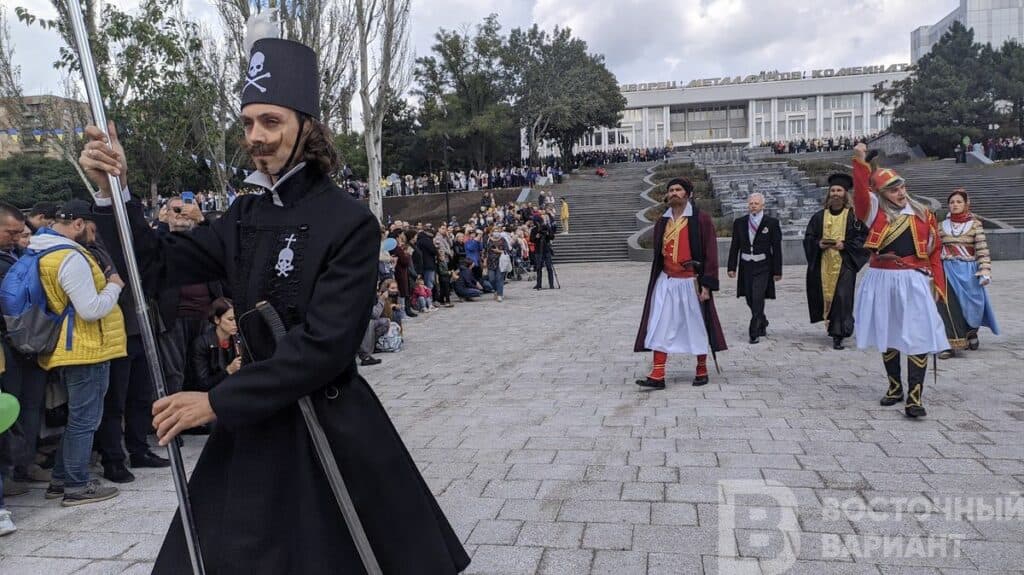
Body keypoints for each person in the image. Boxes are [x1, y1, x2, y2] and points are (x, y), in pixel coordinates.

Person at [80, 32, 469, 573]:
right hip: (251, 427)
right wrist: (111, 194)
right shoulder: (245, 214)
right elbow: (160, 266)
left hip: (325, 424)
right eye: (247, 123)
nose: (256, 137)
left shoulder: (350, 222)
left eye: (271, 122)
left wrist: (215, 401)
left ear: (306, 127)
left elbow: (325, 347)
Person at [31, 200, 126, 506]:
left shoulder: (41, 249)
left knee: (79, 418)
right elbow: (90, 309)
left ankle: (61, 479)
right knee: (85, 420)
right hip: (86, 349)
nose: (93, 235)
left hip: (70, 347)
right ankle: (76, 485)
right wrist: (114, 286)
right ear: (78, 224)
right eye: (91, 227)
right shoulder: (69, 257)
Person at [851, 143, 948, 418]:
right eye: (894, 189)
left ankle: (914, 398)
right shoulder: (874, 212)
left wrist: (938, 282)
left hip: (913, 279)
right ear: (882, 194)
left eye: (902, 187)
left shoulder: (922, 214)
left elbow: (935, 250)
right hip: (882, 278)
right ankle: (895, 387)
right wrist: (860, 162)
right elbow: (859, 193)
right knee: (888, 332)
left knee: (917, 335)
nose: (901, 193)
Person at [634, 178, 727, 388]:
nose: (674, 193)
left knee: (696, 325)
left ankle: (701, 369)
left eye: (679, 190)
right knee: (659, 324)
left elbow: (710, 253)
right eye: (671, 190)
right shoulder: (662, 221)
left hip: (691, 281)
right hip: (666, 280)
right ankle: (657, 375)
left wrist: (707, 284)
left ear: (688, 194)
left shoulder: (700, 219)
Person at [802, 174, 869, 350]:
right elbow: (809, 237)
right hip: (824, 262)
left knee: (842, 296)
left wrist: (845, 245)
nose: (835, 194)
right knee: (828, 296)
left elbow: (863, 238)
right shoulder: (818, 217)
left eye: (839, 190)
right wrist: (818, 243)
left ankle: (838, 333)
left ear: (845, 194)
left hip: (845, 262)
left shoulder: (854, 218)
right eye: (832, 190)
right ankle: (835, 326)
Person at [935, 189, 999, 358]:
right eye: (952, 202)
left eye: (958, 202)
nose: (954, 205)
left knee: (973, 305)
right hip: (947, 271)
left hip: (969, 271)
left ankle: (971, 332)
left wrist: (985, 270)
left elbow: (982, 250)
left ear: (966, 204)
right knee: (948, 305)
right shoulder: (941, 226)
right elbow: (934, 248)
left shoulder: (975, 224)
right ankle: (949, 343)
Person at [727, 193, 782, 344]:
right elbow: (734, 246)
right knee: (750, 298)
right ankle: (762, 320)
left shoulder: (771, 223)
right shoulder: (740, 222)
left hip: (763, 266)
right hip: (746, 265)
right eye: (751, 203)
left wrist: (777, 271)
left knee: (758, 296)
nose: (753, 206)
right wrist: (732, 267)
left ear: (762, 205)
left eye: (756, 203)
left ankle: (754, 330)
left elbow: (776, 248)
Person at [189, 297, 241, 392]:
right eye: (230, 319)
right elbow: (202, 384)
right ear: (217, 320)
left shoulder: (239, 340)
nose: (235, 323)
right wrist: (228, 371)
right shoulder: (201, 344)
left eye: (236, 319)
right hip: (210, 396)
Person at [530, 216, 556, 290]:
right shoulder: (534, 230)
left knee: (549, 267)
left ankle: (551, 284)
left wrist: (547, 234)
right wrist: (536, 237)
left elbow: (552, 237)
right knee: (539, 268)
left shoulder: (546, 227)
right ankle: (538, 284)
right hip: (538, 251)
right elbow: (531, 239)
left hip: (546, 250)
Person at [485, 228, 508, 302]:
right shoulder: (489, 240)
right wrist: (484, 260)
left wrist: (499, 251)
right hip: (490, 262)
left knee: (499, 279)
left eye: (497, 231)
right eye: (495, 231)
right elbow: (485, 251)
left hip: (500, 262)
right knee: (491, 279)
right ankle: (496, 290)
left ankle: (499, 295)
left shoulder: (503, 240)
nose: (496, 232)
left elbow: (507, 250)